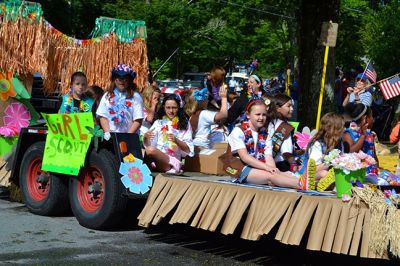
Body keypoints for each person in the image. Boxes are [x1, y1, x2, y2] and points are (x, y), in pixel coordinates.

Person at [224, 100, 311, 189]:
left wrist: (273, 169)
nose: (261, 118)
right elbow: (245, 157)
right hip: (240, 168)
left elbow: (268, 156)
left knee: (279, 173)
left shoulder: (265, 134)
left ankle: (310, 183)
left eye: (264, 115)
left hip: (258, 166)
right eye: (258, 114)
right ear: (248, 115)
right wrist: (267, 168)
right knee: (271, 176)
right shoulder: (238, 131)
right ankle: (302, 184)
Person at [143, 94, 194, 173]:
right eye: (168, 107)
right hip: (156, 159)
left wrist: (176, 140)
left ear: (179, 108)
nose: (171, 111)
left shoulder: (185, 124)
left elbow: (188, 150)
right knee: (140, 151)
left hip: (171, 162)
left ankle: (142, 170)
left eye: (174, 108)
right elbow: (149, 145)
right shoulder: (159, 122)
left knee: (150, 150)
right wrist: (146, 137)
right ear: (164, 107)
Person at [96, 64, 144, 140]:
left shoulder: (135, 97)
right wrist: (108, 133)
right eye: (119, 78)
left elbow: (138, 119)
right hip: (111, 137)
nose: (122, 81)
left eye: (125, 78)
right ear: (114, 79)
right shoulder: (107, 95)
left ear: (129, 80)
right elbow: (102, 116)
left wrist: (127, 136)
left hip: (129, 137)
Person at [303, 113, 345, 191]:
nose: (344, 129)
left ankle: (325, 184)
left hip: (330, 174)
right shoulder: (318, 144)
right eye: (342, 127)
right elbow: (312, 169)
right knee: (324, 173)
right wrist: (331, 162)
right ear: (334, 130)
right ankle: (318, 185)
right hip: (309, 175)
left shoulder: (339, 143)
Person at [185, 85, 228, 149]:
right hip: (202, 147)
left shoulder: (193, 114)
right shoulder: (203, 114)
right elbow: (223, 115)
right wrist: (224, 98)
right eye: (206, 98)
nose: (208, 100)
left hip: (195, 144)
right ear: (202, 101)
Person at [343, 103, 379, 175]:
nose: (373, 119)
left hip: (372, 174)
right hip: (356, 175)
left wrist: (376, 169)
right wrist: (363, 136)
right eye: (371, 116)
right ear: (365, 118)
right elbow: (350, 152)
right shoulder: (348, 133)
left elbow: (374, 155)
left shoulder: (370, 135)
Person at [267, 93, 295, 172]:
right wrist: (297, 166)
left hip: (267, 164)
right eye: (288, 106)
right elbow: (286, 154)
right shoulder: (284, 127)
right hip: (282, 166)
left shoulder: (268, 122)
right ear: (278, 108)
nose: (292, 109)